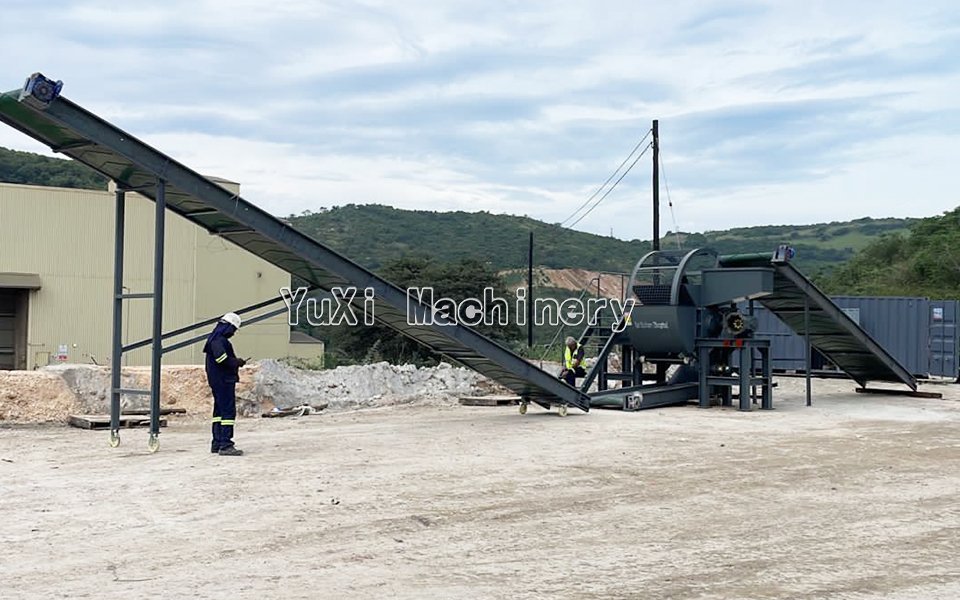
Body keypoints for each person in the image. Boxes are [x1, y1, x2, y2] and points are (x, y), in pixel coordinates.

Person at [203, 312, 246, 456]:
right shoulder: (219, 341)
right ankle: (226, 444)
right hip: (224, 381)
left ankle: (217, 442)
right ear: (228, 327)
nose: (233, 333)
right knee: (228, 412)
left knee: (219, 412)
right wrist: (237, 362)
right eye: (233, 329)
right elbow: (221, 359)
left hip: (217, 381)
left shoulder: (213, 339)